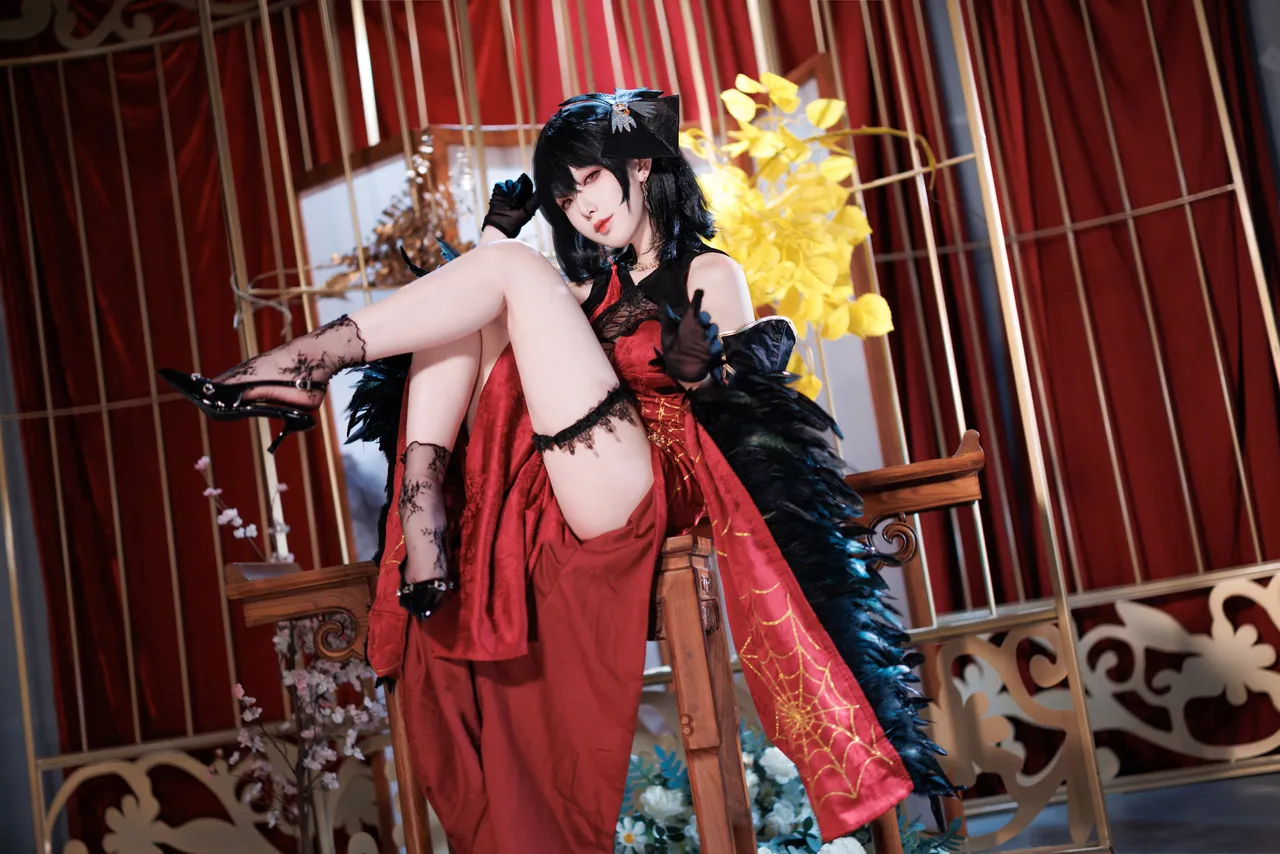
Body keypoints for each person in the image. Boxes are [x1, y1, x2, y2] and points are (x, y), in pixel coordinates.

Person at [162, 89, 954, 853]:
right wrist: (490, 244)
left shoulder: (711, 274)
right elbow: (486, 336)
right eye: (566, 197)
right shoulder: (584, 289)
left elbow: (748, 410)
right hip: (566, 479)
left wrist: (707, 367)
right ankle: (418, 498)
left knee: (509, 272)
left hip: (650, 480)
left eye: (592, 180)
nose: (582, 209)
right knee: (486, 288)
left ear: (641, 165)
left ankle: (306, 366)